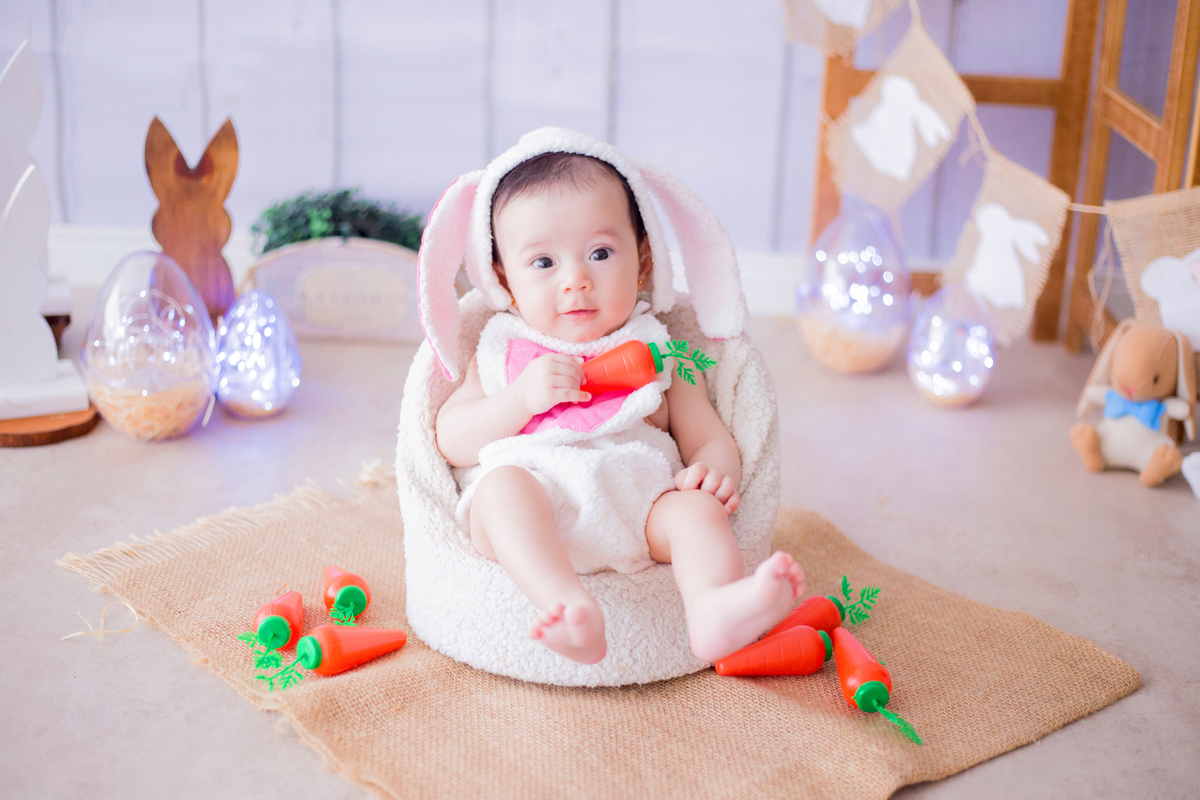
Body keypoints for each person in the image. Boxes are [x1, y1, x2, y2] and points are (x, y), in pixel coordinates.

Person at [434, 151, 803, 665]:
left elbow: (707, 436)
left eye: (601, 253)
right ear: (505, 281)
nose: (576, 279)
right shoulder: (500, 350)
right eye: (543, 263)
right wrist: (518, 400)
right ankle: (568, 608)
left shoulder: (663, 351)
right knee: (500, 492)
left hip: (640, 507)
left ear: (643, 261)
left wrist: (713, 473)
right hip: (538, 500)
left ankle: (712, 609)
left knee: (697, 513)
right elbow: (452, 438)